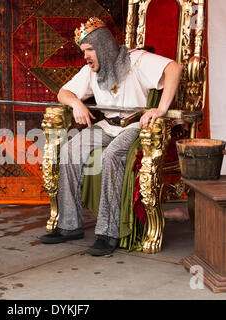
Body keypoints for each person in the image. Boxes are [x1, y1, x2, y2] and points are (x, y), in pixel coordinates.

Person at [39, 17, 182, 256]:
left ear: (104, 45)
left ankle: (108, 232)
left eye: (90, 50)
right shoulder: (90, 71)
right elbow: (63, 92)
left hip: (134, 127)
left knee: (111, 157)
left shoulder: (136, 61)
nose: (86, 56)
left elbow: (174, 68)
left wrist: (161, 109)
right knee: (69, 151)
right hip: (107, 126)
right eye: (83, 51)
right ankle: (69, 226)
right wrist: (76, 103)